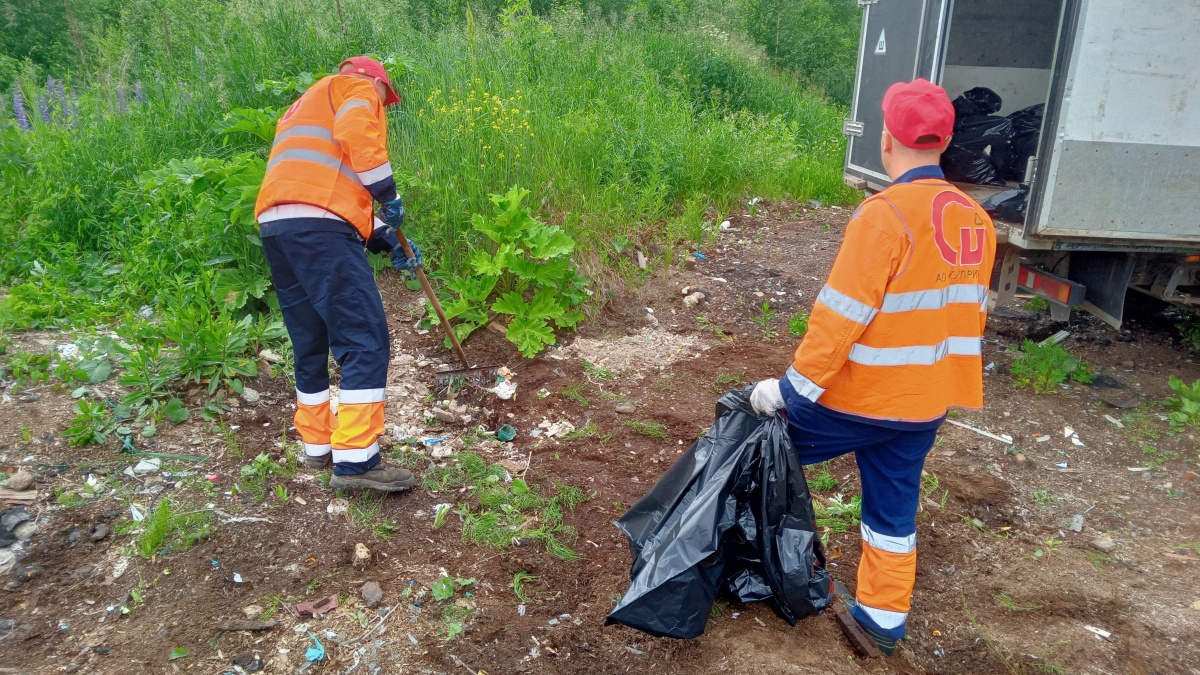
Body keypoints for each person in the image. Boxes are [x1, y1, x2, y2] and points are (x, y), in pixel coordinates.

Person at [749, 78, 996, 654]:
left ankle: (726, 567)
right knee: (893, 511)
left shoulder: (884, 215)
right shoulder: (976, 221)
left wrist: (788, 391)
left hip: (859, 400)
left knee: (753, 447)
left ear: (887, 139)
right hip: (924, 404)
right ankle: (881, 623)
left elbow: (840, 317)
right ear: (946, 140)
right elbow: (971, 316)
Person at [254, 56, 423, 492]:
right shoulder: (356, 88)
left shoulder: (303, 105)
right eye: (387, 98)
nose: (384, 106)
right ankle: (356, 461)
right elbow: (356, 136)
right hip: (320, 227)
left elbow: (328, 187)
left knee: (309, 339)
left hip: (279, 226)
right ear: (378, 83)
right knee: (364, 337)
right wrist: (388, 192)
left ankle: (318, 444)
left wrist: (386, 238)